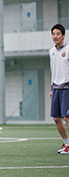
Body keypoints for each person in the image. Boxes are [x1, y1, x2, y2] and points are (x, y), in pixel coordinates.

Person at [49, 24, 69, 154]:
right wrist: (51, 88)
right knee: (56, 118)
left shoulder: (68, 49)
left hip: (67, 87)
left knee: (67, 117)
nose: (55, 36)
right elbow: (53, 70)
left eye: (57, 34)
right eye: (53, 34)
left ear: (63, 35)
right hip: (55, 88)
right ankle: (67, 143)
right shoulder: (51, 51)